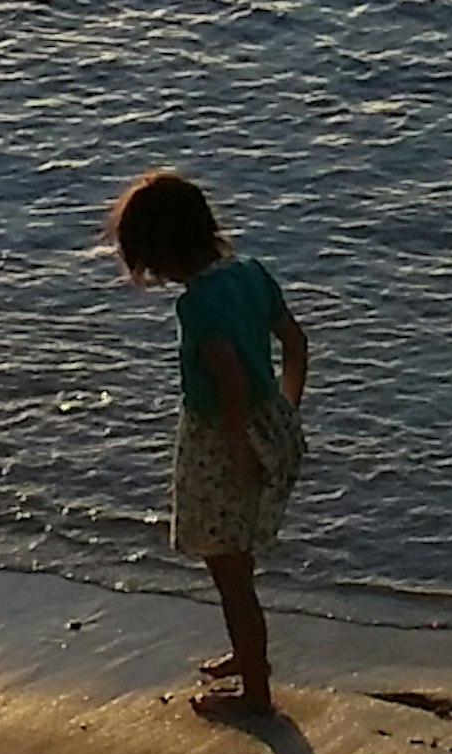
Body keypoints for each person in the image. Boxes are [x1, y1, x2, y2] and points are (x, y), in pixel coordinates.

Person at [112, 169, 310, 718]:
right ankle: (247, 655)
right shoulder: (249, 273)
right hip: (268, 421)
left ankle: (256, 691)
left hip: (221, 439)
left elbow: (229, 382)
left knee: (229, 569)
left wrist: (240, 449)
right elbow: (295, 343)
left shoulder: (197, 305)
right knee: (234, 560)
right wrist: (284, 413)